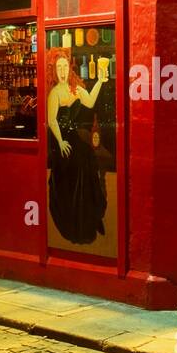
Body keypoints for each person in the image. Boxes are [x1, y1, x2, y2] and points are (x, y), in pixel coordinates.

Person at [46, 50, 107, 245]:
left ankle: (87, 223)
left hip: (77, 142)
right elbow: (51, 120)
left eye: (65, 66)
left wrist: (99, 81)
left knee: (86, 178)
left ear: (69, 68)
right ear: (54, 71)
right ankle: (73, 226)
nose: (62, 71)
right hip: (62, 144)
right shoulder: (54, 92)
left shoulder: (76, 89)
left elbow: (89, 102)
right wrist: (60, 141)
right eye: (59, 68)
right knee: (68, 186)